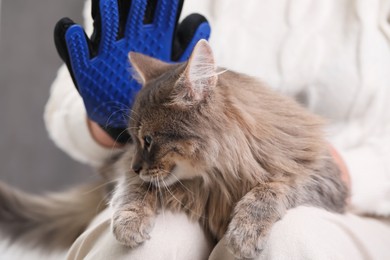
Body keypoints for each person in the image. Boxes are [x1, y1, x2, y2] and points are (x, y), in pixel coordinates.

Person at [45, 0, 390, 259]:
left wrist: (349, 173)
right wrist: (108, 117)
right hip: (189, 179)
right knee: (152, 245)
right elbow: (63, 105)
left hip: (354, 198)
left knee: (285, 239)